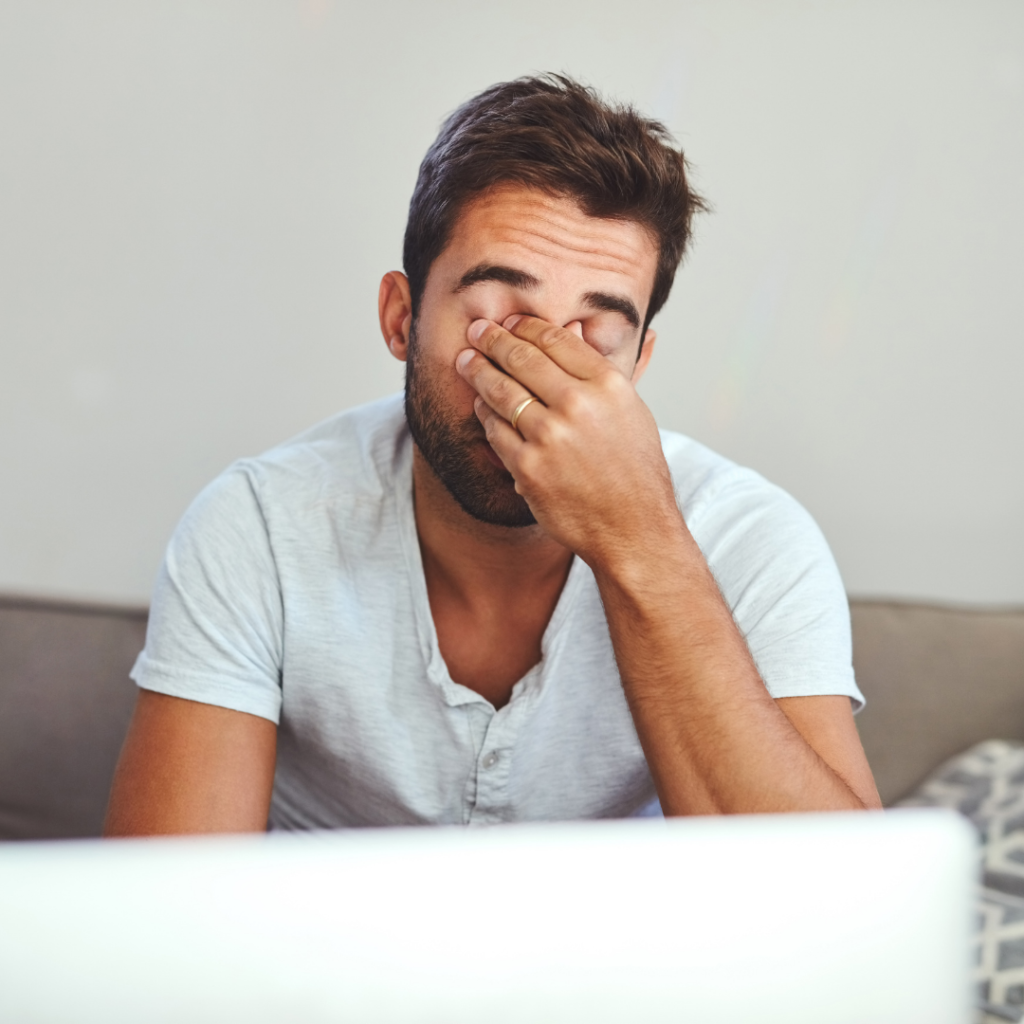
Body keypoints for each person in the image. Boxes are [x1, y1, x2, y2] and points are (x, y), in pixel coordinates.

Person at [105, 74, 881, 836]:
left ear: (637, 367)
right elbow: (164, 920)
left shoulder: (755, 542)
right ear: (402, 319)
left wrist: (638, 538)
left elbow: (844, 911)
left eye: (595, 339)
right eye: (495, 317)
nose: (539, 375)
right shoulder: (259, 528)